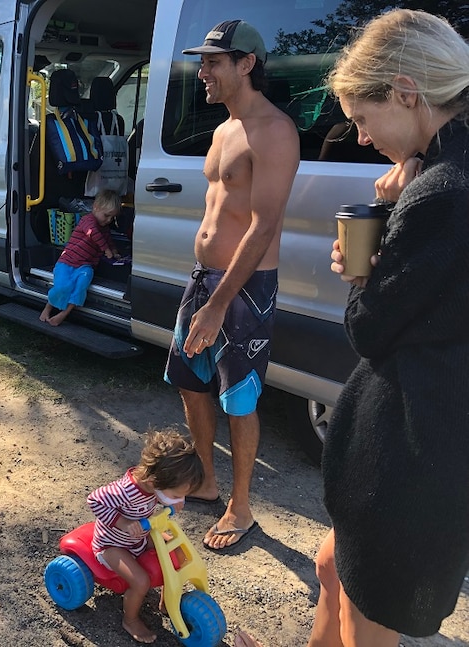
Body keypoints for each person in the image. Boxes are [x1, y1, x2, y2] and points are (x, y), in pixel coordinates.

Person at [238, 9, 469, 647]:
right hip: (414, 432)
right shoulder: (446, 169)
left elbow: (368, 329)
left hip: (415, 444)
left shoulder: (442, 193)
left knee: (369, 623)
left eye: (363, 120)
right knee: (330, 566)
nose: (360, 138)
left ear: (405, 92)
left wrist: (375, 254)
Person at [163, 20, 299, 551]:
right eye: (202, 62)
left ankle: (241, 508)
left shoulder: (275, 131)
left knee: (238, 398)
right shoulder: (223, 130)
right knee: (190, 382)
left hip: (242, 290)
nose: (203, 73)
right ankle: (208, 481)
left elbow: (263, 225)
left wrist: (218, 305)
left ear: (247, 65)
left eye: (214, 62)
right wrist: (206, 292)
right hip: (204, 281)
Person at [87, 431, 205, 644]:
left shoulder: (152, 486)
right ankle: (130, 620)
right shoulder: (123, 490)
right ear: (154, 480)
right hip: (112, 545)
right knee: (141, 582)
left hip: (139, 537)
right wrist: (123, 523)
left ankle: (167, 601)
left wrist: (169, 502)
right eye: (177, 494)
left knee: (177, 552)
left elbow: (150, 502)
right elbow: (94, 500)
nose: (181, 500)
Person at [39, 189, 121, 326]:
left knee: (80, 287)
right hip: (67, 262)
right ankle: (47, 308)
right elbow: (92, 233)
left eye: (112, 218)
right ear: (95, 207)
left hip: (85, 266)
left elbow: (108, 240)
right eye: (106, 215)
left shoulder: (104, 228)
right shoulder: (87, 220)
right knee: (62, 286)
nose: (109, 220)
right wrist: (106, 249)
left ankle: (63, 314)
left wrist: (113, 250)